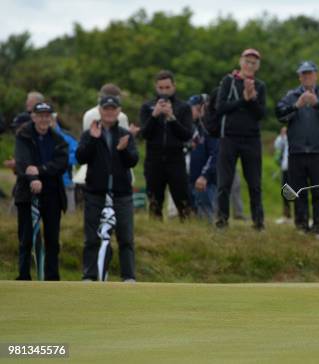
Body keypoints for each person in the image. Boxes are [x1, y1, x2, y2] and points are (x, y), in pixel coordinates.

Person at [77, 96, 138, 282]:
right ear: (100, 110)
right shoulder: (90, 133)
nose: (110, 112)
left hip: (121, 194)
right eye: (106, 108)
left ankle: (128, 277)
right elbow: (81, 158)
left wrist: (122, 149)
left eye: (113, 108)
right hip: (96, 193)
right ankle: (90, 275)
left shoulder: (125, 134)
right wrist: (94, 140)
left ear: (119, 111)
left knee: (126, 237)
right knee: (92, 237)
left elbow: (133, 161)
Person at [276, 61, 319, 236]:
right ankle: (301, 226)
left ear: (316, 75)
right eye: (303, 74)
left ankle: (318, 228)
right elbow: (280, 114)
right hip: (296, 153)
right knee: (298, 192)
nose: (307, 77)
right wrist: (296, 105)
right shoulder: (291, 95)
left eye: (310, 73)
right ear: (299, 77)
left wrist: (317, 103)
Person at [14, 102, 68, 280]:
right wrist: (33, 179)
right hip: (27, 193)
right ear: (33, 116)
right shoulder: (23, 135)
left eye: (47, 115)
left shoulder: (58, 139)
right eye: (40, 115)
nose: (44, 119)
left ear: (51, 118)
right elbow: (23, 163)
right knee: (26, 238)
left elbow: (61, 164)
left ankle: (52, 278)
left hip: (52, 194)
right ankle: (24, 276)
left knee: (52, 240)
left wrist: (40, 171)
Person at [215, 48, 267, 230]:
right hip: (228, 137)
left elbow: (261, 114)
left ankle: (258, 222)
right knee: (224, 182)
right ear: (240, 62)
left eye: (253, 63)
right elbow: (220, 107)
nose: (249, 65)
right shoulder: (228, 81)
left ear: (257, 66)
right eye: (247, 61)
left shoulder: (259, 86)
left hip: (251, 139)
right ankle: (221, 221)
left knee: (254, 183)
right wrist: (243, 100)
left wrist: (252, 99)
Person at [140, 70, 194, 220]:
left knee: (183, 200)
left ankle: (188, 231)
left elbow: (187, 135)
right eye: (161, 88)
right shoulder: (147, 107)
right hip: (153, 159)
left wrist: (172, 118)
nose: (164, 91)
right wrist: (154, 116)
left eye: (167, 87)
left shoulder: (183, 107)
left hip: (175, 158)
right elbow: (145, 134)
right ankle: (155, 233)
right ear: (156, 88)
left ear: (174, 87)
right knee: (154, 201)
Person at [188, 93, 218, 222]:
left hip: (205, 181)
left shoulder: (210, 129)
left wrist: (205, 175)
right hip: (189, 179)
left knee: (205, 217)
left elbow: (215, 154)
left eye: (194, 108)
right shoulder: (189, 127)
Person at [51, 113, 78, 213]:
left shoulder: (67, 136)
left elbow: (77, 156)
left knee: (69, 215)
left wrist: (59, 161)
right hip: (45, 184)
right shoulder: (38, 136)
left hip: (66, 182)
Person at [273, 126, 291, 224]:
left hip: (297, 168)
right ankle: (286, 216)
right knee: (286, 192)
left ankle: (302, 216)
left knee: (299, 192)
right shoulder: (284, 137)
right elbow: (277, 145)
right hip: (285, 167)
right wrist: (282, 135)